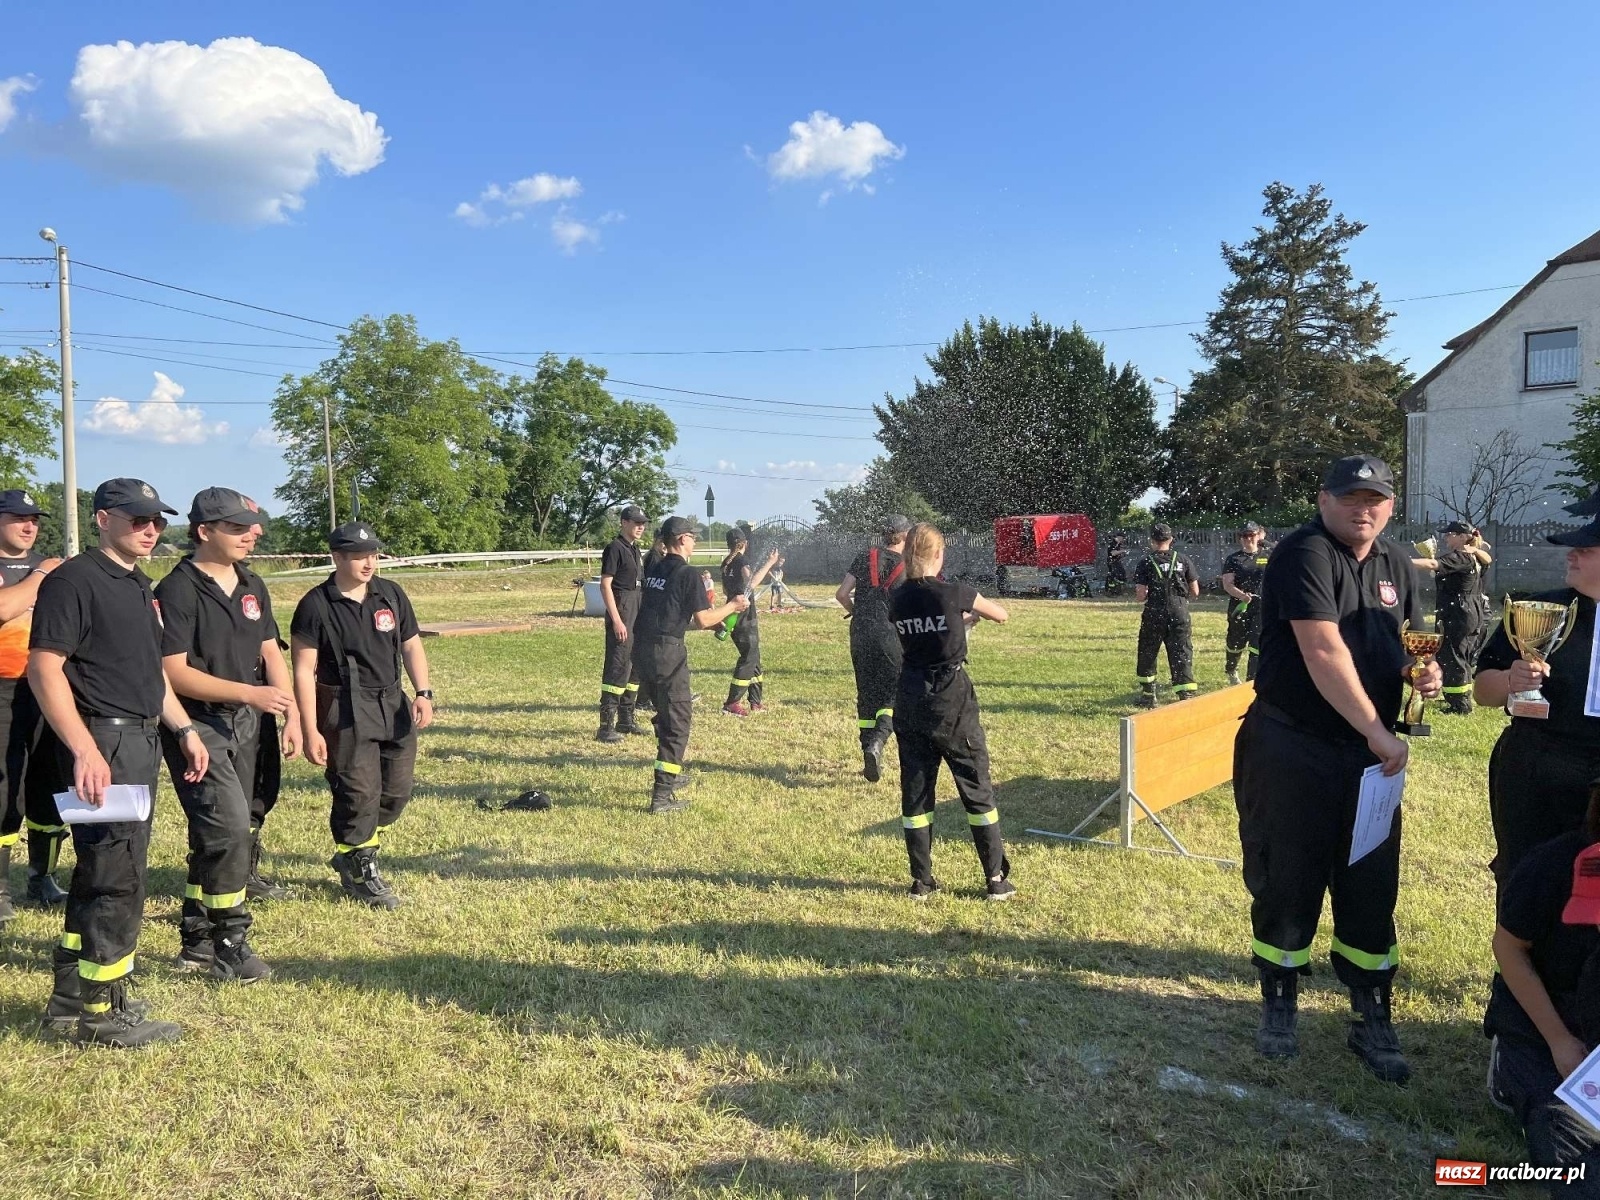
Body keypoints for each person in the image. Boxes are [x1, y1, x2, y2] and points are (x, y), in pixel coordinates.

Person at [1232, 454, 1441, 1082]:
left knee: (1371, 880)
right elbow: (1322, 649)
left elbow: (1404, 643)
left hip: (1367, 758)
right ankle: (1280, 999)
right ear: (1324, 500)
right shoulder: (1305, 553)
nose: (1363, 510)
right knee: (1287, 873)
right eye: (1350, 498)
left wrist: (1419, 673)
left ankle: (1370, 1010)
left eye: (1375, 500)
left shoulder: (1396, 562)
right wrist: (1378, 731)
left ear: (1391, 506)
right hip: (1294, 745)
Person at [28, 478, 209, 1047]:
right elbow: (44, 667)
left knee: (98, 871)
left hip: (139, 737)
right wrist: (85, 749)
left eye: (157, 520)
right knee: (117, 877)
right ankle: (103, 1011)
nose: (150, 529)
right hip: (103, 741)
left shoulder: (136, 582)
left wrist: (184, 728)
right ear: (103, 519)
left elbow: (150, 672)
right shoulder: (73, 580)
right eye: (138, 519)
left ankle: (69, 999)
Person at [155, 488, 298, 982]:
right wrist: (250, 693)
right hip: (197, 724)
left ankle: (195, 939)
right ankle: (229, 941)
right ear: (204, 532)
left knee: (216, 832)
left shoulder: (252, 582)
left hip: (247, 721)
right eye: (236, 528)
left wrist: (291, 713)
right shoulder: (177, 589)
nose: (251, 534)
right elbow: (173, 672)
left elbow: (270, 651)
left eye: (250, 526)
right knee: (230, 828)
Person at [291, 522, 434, 909]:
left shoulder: (391, 594)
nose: (369, 563)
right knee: (358, 794)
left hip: (393, 702)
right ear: (337, 557)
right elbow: (303, 670)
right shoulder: (315, 605)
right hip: (344, 707)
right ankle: (359, 867)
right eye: (359, 556)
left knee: (395, 793)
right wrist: (309, 728)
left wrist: (423, 692)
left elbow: (411, 645)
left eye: (373, 555)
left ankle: (355, 850)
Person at [1485, 784, 1600, 1195]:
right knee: (1565, 1136)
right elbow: (1508, 946)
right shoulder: (1551, 866)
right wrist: (1559, 1041)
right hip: (1544, 1026)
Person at [1475, 512, 1600, 886]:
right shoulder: (1538, 611)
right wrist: (1510, 680)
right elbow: (1483, 691)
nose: (1570, 555)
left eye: (1585, 549)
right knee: (1527, 879)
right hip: (1539, 765)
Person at [891, 523, 1013, 901]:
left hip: (910, 698)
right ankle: (995, 878)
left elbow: (922, 632)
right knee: (975, 786)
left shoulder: (897, 598)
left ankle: (921, 881)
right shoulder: (955, 592)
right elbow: (1001, 615)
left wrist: (957, 623)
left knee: (916, 792)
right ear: (939, 555)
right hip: (951, 701)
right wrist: (968, 616)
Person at [633, 517, 747, 813]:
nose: (695, 541)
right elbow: (703, 618)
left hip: (642, 650)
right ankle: (661, 796)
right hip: (667, 655)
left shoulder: (655, 568)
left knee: (665, 715)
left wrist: (714, 622)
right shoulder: (688, 573)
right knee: (677, 722)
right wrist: (733, 606)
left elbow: (674, 613)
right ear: (683, 539)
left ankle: (670, 773)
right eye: (693, 537)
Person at [0, 489, 68, 920]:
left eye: (35, 520)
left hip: (49, 687)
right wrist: (42, 574)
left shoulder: (51, 566)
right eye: (18, 518)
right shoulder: (46, 569)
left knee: (50, 783)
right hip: (3, 689)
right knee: (5, 785)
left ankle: (42, 875)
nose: (29, 526)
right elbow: (5, 608)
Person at [837, 515, 912, 782]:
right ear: (905, 536)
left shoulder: (864, 556)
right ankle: (878, 742)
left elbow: (841, 594)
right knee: (894, 693)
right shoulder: (907, 564)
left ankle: (867, 749)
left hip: (859, 632)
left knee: (866, 694)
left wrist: (856, 611)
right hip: (890, 634)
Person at [1412, 520, 1492, 715]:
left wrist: (1398, 562)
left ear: (1463, 537)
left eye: (1450, 534)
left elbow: (1433, 563)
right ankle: (1457, 697)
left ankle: (1460, 705)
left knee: (1454, 656)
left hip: (1459, 612)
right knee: (1459, 655)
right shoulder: (1474, 556)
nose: (1446, 538)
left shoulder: (1461, 556)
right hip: (1469, 611)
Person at [596, 505, 648, 744]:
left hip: (637, 608)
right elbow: (605, 585)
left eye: (643, 523)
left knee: (635, 666)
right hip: (623, 609)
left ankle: (626, 719)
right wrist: (616, 619)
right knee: (618, 666)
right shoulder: (615, 548)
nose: (640, 527)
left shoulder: (635, 549)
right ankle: (606, 726)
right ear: (624, 523)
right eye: (636, 522)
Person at [1133, 523, 1200, 706]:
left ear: (1152, 541)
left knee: (1148, 650)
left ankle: (1148, 695)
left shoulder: (1146, 562)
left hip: (1155, 611)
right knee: (1181, 650)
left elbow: (1140, 595)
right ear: (1171, 540)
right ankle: (1185, 693)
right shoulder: (1183, 559)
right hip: (1179, 611)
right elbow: (1195, 591)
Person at [719, 528, 779, 717]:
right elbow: (751, 583)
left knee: (754, 657)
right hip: (745, 617)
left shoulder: (726, 562)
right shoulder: (741, 561)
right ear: (745, 543)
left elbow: (724, 590)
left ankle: (755, 701)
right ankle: (732, 703)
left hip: (732, 615)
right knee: (748, 658)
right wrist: (770, 563)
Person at [1220, 521, 1269, 685]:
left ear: (1258, 535)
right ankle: (1231, 669)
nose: (1248, 539)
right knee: (1236, 641)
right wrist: (1242, 596)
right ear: (1240, 538)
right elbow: (1227, 584)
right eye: (1244, 536)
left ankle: (1251, 680)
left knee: (1257, 642)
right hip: (1240, 606)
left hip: (1261, 606)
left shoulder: (1267, 555)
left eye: (1251, 535)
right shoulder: (1233, 559)